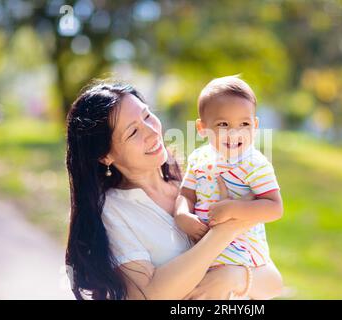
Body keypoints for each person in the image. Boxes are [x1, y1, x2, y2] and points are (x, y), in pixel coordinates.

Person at [65, 81, 283, 300]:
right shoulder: (115, 210)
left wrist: (233, 277)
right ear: (105, 156)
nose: (151, 132)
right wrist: (224, 231)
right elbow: (147, 295)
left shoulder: (203, 179)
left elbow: (274, 283)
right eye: (133, 132)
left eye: (147, 116)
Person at [174, 76, 283, 296]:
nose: (234, 133)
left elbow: (274, 208)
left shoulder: (255, 164)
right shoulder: (199, 158)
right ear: (202, 128)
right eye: (223, 124)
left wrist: (232, 208)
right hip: (205, 253)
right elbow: (186, 194)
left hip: (243, 257)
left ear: (255, 126)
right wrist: (181, 214)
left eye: (244, 124)